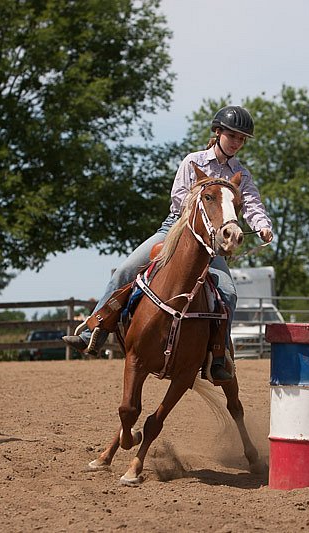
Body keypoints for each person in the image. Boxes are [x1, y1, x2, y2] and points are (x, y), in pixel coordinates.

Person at [63, 105, 274, 381]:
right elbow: (179, 199)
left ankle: (217, 356)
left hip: (212, 243)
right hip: (175, 229)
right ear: (218, 132)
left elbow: (253, 205)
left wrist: (263, 226)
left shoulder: (242, 175)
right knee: (126, 270)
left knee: (228, 293)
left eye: (241, 139)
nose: (236, 143)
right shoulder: (193, 162)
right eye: (232, 136)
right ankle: (94, 331)